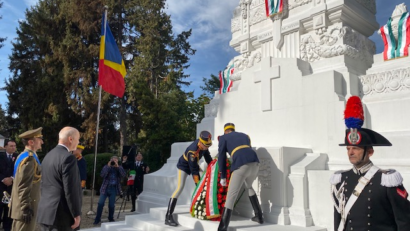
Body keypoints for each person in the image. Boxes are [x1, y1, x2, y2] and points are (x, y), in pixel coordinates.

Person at [331, 96, 410, 231]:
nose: (350, 152)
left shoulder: (387, 180)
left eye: (355, 148)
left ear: (370, 152)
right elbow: (339, 219)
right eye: (348, 148)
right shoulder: (341, 180)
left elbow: (404, 220)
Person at [217, 123, 263, 231]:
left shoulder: (223, 138)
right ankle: (259, 216)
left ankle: (222, 228)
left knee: (231, 195)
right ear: (233, 130)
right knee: (249, 186)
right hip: (255, 163)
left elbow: (222, 157)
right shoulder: (245, 135)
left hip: (241, 164)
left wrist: (223, 176)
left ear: (225, 131)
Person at [37, 127, 82, 231]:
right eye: (77, 139)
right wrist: (76, 214)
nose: (78, 142)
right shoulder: (68, 158)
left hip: (45, 212)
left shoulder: (48, 155)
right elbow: (71, 189)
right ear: (70, 139)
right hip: (61, 215)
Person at [165, 131, 213, 227]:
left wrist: (214, 167)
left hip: (194, 165)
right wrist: (198, 186)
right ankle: (168, 216)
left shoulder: (203, 146)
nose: (207, 147)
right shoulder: (192, 151)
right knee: (179, 188)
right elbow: (194, 172)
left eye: (208, 145)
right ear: (201, 142)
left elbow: (208, 158)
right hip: (184, 167)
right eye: (206, 145)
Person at [9, 127, 43, 231]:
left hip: (23, 206)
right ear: (31, 142)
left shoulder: (24, 156)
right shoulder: (29, 159)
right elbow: (23, 186)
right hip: (26, 209)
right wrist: (26, 208)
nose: (42, 141)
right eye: (39, 139)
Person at [93, 156, 126, 224]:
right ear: (110, 161)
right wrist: (108, 166)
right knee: (100, 204)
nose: (114, 162)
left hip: (113, 188)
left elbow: (123, 175)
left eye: (115, 160)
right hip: (105, 188)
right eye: (113, 160)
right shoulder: (106, 167)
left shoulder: (119, 167)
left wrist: (118, 167)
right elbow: (102, 175)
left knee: (111, 205)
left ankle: (110, 218)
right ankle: (97, 219)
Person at [0, 140, 18, 231]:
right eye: (11, 146)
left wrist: (11, 178)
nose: (13, 148)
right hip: (1, 187)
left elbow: (20, 171)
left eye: (14, 146)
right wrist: (3, 179)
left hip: (11, 188)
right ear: (5, 147)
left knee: (9, 211)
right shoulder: (0, 156)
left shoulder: (18, 157)